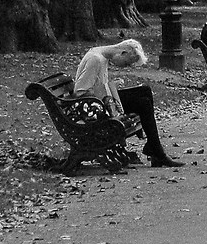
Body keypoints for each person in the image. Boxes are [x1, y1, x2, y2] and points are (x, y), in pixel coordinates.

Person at [71, 39, 184, 168]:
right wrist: (107, 97)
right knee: (143, 102)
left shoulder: (100, 55)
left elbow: (98, 85)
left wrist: (110, 88)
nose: (125, 67)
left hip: (100, 102)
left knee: (145, 91)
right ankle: (156, 151)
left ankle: (154, 147)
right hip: (92, 108)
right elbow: (79, 92)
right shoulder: (96, 59)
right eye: (126, 63)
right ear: (123, 52)